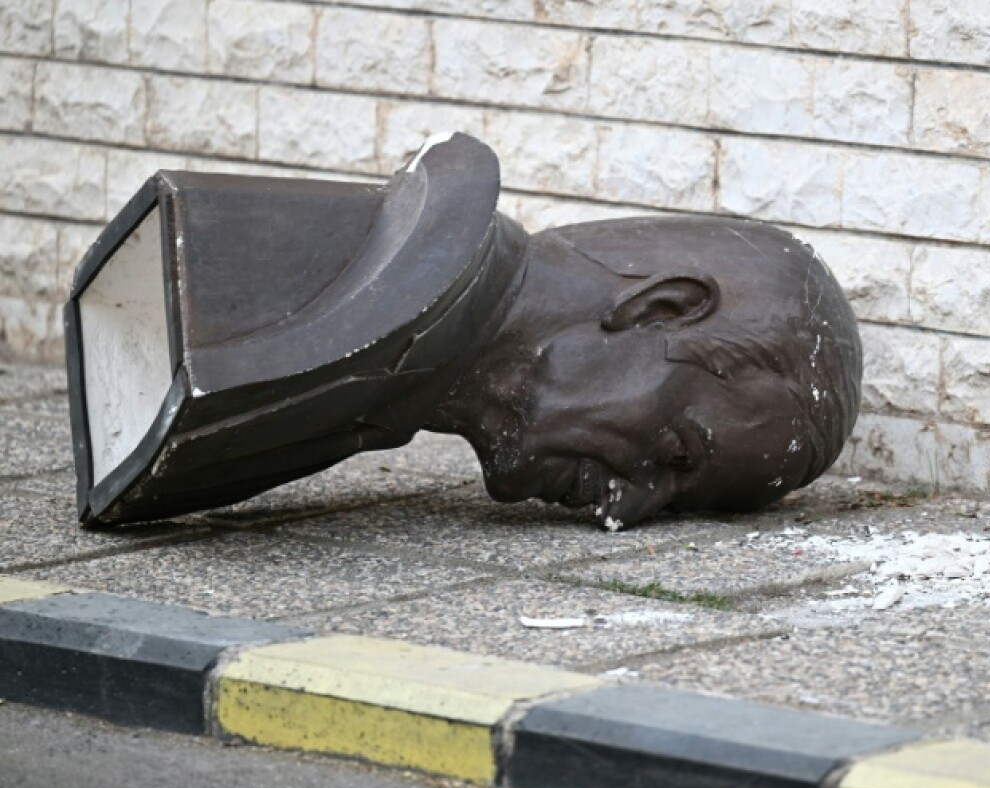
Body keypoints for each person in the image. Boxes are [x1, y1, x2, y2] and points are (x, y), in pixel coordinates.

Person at [66, 133, 860, 530]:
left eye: (674, 503)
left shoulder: (374, 386)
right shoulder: (339, 317)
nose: (630, 503)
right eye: (675, 453)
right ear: (657, 308)